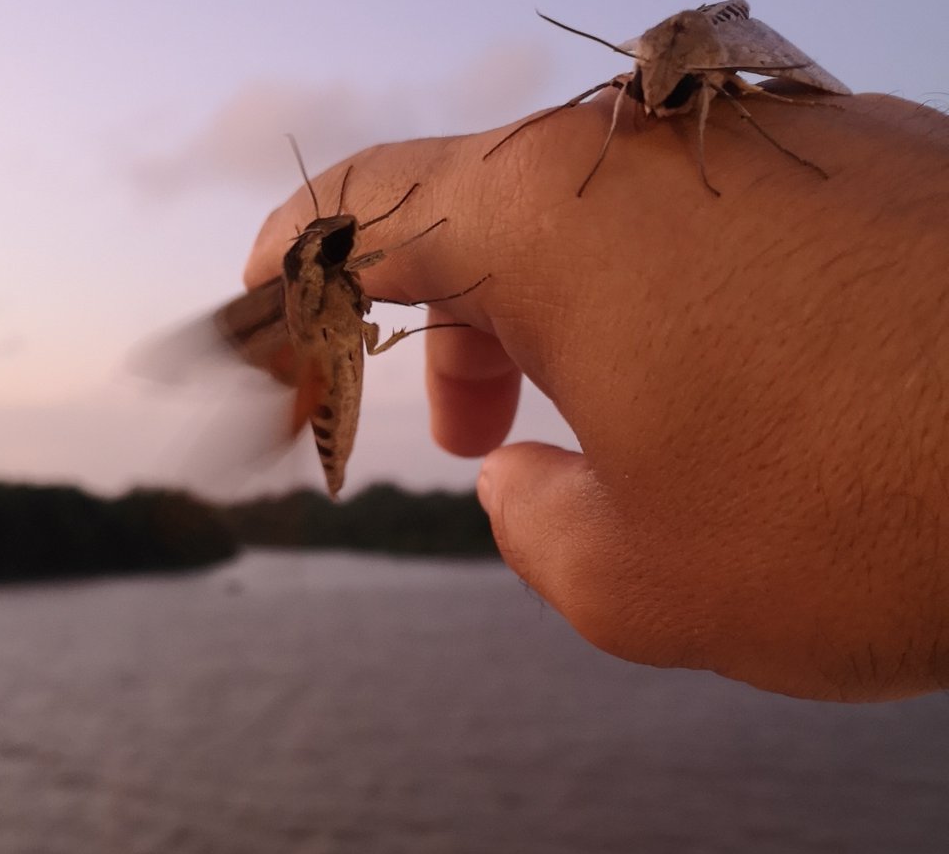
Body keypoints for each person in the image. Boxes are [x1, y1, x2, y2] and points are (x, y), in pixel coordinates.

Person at [244, 89, 949, 702]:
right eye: (339, 245)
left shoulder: (334, 273)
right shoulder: (324, 295)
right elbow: (358, 332)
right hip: (331, 388)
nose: (345, 239)